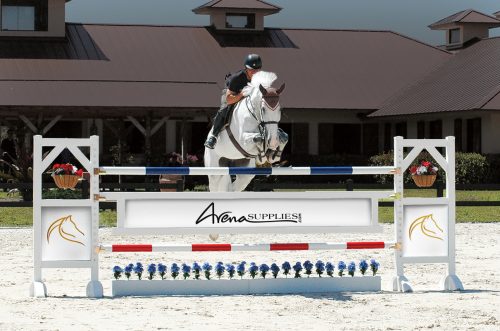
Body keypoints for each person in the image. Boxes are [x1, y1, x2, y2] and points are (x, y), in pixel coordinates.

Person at [204, 54, 262, 149]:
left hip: (248, 98)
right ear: (246, 68)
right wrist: (241, 94)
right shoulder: (237, 78)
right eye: (252, 70)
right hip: (232, 95)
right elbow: (229, 99)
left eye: (257, 70)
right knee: (225, 108)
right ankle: (213, 136)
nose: (254, 72)